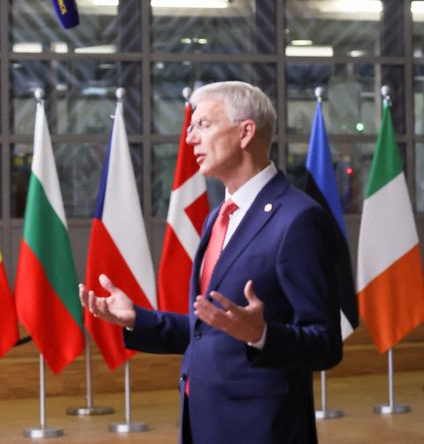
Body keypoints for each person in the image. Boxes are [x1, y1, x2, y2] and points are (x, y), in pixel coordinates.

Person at [80, 81, 343, 444]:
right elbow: (213, 329)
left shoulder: (298, 219)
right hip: (202, 418)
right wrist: (137, 319)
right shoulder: (217, 216)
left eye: (203, 125)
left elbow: (326, 343)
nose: (190, 139)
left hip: (262, 427)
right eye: (191, 128)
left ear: (245, 131)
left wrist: (262, 335)